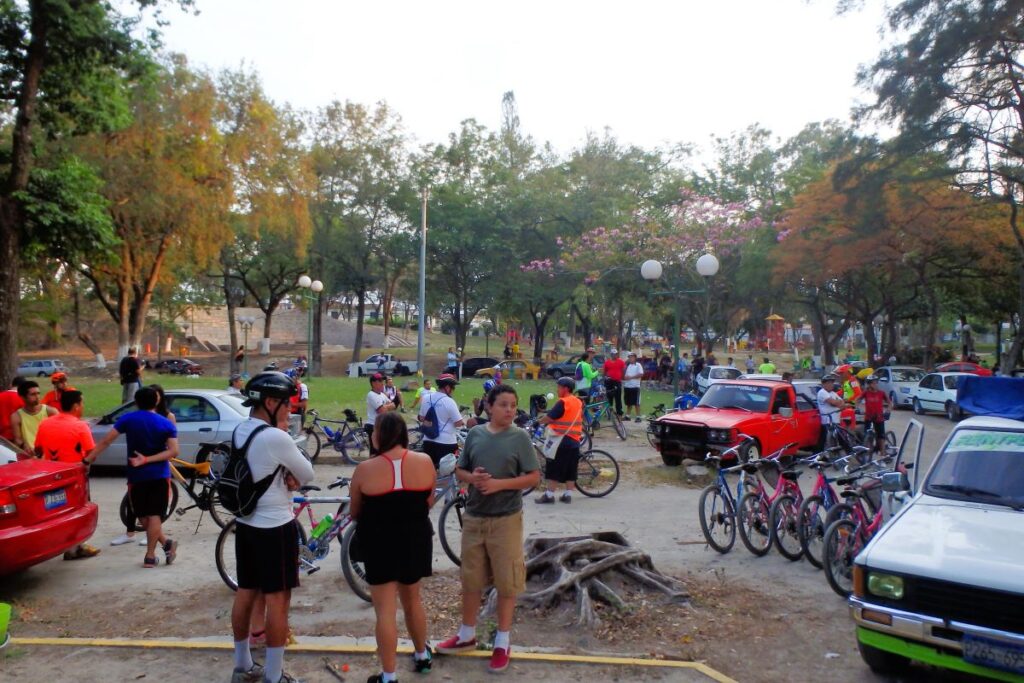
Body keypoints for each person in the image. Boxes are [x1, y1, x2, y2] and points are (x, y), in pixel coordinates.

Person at [436, 385, 541, 674]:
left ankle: (502, 641)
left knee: (507, 582)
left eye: (513, 405)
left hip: (506, 519)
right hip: (474, 517)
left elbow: (534, 477)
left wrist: (499, 484)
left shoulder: (520, 438)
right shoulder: (475, 434)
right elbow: (460, 470)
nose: (509, 410)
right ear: (490, 406)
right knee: (471, 578)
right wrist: (472, 477)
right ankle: (466, 634)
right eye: (503, 404)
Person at [223, 371, 315, 683]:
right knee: (279, 600)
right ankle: (274, 676)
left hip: (246, 524)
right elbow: (308, 473)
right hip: (275, 527)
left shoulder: (242, 429)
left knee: (246, 592)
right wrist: (292, 473)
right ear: (271, 402)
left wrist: (287, 472)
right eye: (287, 405)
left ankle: (243, 665)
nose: (291, 411)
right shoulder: (275, 436)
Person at [350, 412, 436, 682]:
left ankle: (389, 676)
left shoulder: (365, 469)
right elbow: (428, 500)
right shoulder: (424, 462)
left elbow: (355, 512)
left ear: (381, 435)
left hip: (379, 543)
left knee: (385, 610)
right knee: (413, 601)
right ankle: (422, 655)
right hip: (415, 539)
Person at [87, 386, 178, 569]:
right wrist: (149, 460)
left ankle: (150, 556)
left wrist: (87, 459)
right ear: (157, 401)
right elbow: (174, 451)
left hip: (136, 476)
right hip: (160, 475)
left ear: (136, 402)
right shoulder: (165, 423)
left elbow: (106, 441)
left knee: (144, 516)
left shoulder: (127, 419)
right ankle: (165, 545)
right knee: (151, 516)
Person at [34, 390, 100, 560]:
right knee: (79, 509)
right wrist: (85, 465)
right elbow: (92, 451)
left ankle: (65, 546)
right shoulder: (80, 426)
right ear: (76, 406)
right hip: (74, 475)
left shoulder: (45, 424)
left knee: (58, 511)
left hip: (51, 475)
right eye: (82, 403)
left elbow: (38, 449)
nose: (83, 406)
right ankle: (76, 547)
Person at [535, 377, 584, 504]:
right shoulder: (578, 402)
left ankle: (549, 495)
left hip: (561, 440)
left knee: (554, 467)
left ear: (566, 388)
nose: (557, 389)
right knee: (571, 469)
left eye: (559, 387)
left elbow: (550, 417)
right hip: (574, 440)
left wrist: (538, 421)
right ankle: (567, 495)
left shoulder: (563, 402)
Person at [418, 373, 464, 468]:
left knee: (431, 470)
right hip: (446, 443)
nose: (453, 391)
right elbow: (459, 423)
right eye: (453, 388)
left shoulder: (426, 398)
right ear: (447, 387)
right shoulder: (449, 401)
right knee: (448, 471)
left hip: (428, 441)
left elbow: (421, 417)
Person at [10, 380, 57, 452]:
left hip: (50, 454)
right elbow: (17, 439)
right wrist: (24, 446)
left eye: (38, 393)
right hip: (29, 456)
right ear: (23, 397)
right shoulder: (16, 416)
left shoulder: (51, 412)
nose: (37, 397)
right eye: (33, 394)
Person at [857, 376, 892, 457]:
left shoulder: (881, 393)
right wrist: (858, 408)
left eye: (876, 382)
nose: (875, 384)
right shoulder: (866, 393)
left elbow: (890, 403)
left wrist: (888, 411)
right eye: (873, 383)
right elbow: (857, 400)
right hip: (868, 417)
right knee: (867, 434)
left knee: (881, 436)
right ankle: (869, 450)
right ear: (869, 384)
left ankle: (883, 453)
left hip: (879, 417)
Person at [365, 373, 395, 455]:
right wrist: (388, 406)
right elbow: (381, 410)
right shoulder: (371, 395)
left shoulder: (382, 395)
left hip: (382, 425)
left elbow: (394, 405)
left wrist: (386, 406)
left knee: (383, 452)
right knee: (375, 453)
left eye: (383, 381)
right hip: (374, 426)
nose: (383, 383)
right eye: (380, 381)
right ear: (374, 383)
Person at [0, 376, 25, 442]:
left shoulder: (1, 396)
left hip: (2, 436)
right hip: (17, 436)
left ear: (11, 384)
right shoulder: (23, 399)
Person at [602, 349, 625, 417]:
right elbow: (604, 372)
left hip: (617, 381)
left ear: (617, 354)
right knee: (609, 397)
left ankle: (619, 412)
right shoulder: (607, 362)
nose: (614, 355)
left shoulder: (621, 362)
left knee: (618, 397)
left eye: (615, 354)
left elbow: (623, 370)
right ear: (611, 354)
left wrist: (622, 378)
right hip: (609, 381)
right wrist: (605, 378)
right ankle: (608, 412)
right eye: (613, 354)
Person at [623, 352, 644, 422]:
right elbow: (625, 376)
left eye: (631, 357)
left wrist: (631, 377)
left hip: (635, 386)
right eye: (629, 357)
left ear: (635, 358)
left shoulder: (638, 365)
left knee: (636, 403)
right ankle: (627, 416)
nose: (630, 358)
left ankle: (638, 416)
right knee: (629, 403)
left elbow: (641, 374)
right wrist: (625, 377)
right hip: (627, 386)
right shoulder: (628, 366)